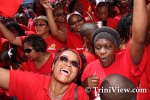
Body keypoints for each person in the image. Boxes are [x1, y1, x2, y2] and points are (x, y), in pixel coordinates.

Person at [81, 0, 148, 99]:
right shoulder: (89, 69)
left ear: (116, 48)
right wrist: (85, 86)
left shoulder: (127, 60)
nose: (102, 51)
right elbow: (85, 95)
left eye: (108, 47)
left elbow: (139, 37)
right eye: (98, 47)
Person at [0, 47, 89, 100]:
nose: (68, 64)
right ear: (53, 65)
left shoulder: (80, 94)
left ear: (76, 74)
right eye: (64, 59)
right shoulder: (34, 82)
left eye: (74, 63)